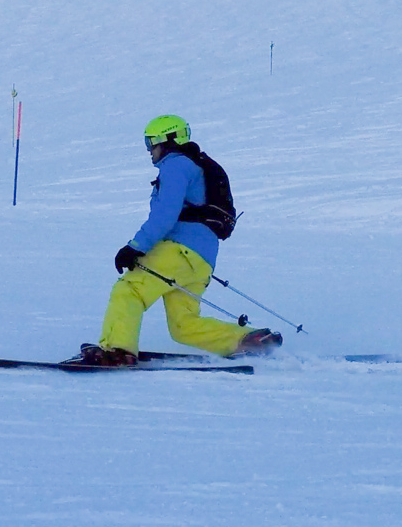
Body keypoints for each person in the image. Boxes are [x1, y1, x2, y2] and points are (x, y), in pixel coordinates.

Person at [73, 115, 282, 366]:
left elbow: (165, 215)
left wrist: (135, 247)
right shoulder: (194, 166)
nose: (149, 150)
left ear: (169, 140)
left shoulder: (176, 166)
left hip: (178, 251)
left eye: (152, 142)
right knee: (184, 325)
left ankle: (116, 350)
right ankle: (249, 340)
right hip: (201, 261)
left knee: (129, 290)